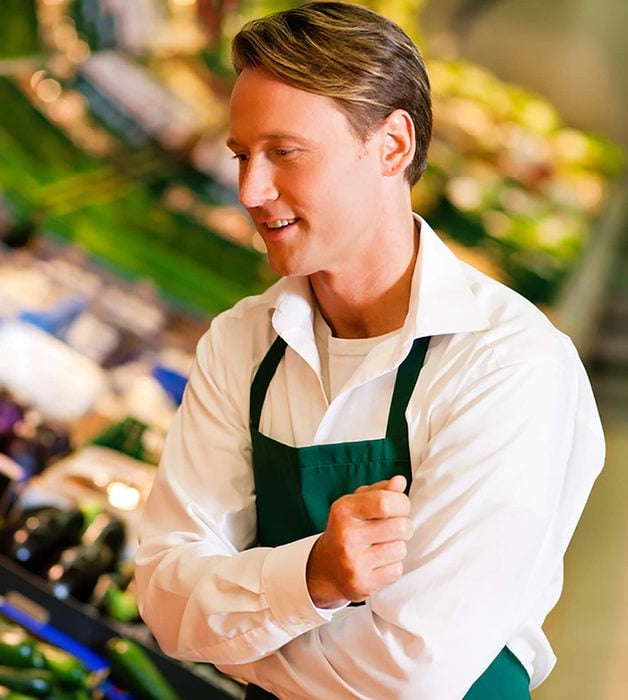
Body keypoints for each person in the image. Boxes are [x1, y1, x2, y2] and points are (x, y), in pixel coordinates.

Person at [135, 2, 605, 698]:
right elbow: (166, 599)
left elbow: (413, 672)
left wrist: (237, 637)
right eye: (241, 155)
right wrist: (314, 578)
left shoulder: (507, 365)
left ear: (391, 146)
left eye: (284, 152)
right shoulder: (242, 342)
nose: (250, 191)